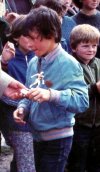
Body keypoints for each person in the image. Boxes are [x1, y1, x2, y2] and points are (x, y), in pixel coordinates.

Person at [13, 6, 89, 172]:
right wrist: (22, 108)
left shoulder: (68, 63)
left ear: (52, 34)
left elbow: (82, 101)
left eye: (36, 38)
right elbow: (29, 92)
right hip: (38, 136)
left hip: (59, 138)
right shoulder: (34, 62)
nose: (31, 44)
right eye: (28, 38)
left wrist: (51, 95)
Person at [0, 15, 36, 172]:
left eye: (37, 35)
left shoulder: (40, 57)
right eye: (27, 36)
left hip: (39, 118)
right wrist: (4, 62)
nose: (32, 40)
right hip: (17, 120)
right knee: (27, 163)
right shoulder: (9, 59)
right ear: (15, 36)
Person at [67, 24, 100, 172]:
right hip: (78, 124)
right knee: (77, 163)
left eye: (94, 46)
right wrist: (94, 88)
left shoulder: (99, 63)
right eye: (86, 46)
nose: (91, 50)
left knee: (96, 163)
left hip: (98, 125)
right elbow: (71, 94)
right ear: (74, 47)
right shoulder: (69, 65)